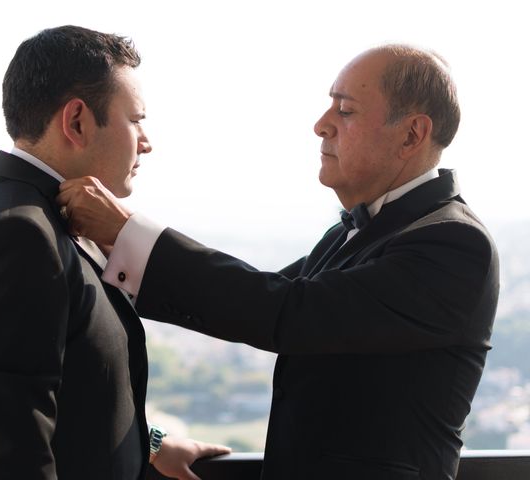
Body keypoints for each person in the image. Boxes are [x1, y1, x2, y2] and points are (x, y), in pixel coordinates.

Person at [58, 44, 500, 479]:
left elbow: (282, 311)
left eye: (345, 111)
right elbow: (253, 294)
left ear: (411, 134)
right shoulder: (362, 229)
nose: (321, 125)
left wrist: (127, 231)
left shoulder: (454, 244)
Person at [0, 25, 228, 480]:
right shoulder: (20, 238)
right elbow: (9, 460)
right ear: (77, 121)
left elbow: (66, 390)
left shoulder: (10, 206)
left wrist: (151, 442)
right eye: (136, 119)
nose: (146, 141)